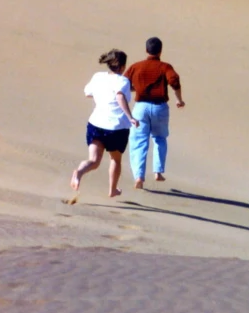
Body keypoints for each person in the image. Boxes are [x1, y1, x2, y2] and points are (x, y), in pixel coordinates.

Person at [71, 49, 139, 198]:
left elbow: (87, 93)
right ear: (122, 66)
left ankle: (79, 172)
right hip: (116, 127)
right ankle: (112, 189)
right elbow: (120, 96)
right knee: (115, 159)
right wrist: (131, 117)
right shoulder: (123, 81)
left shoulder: (98, 76)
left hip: (96, 123)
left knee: (93, 161)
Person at [124, 37, 185, 189]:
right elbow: (174, 81)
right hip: (160, 107)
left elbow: (124, 83)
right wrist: (179, 100)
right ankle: (157, 171)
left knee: (138, 142)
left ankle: (139, 176)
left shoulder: (136, 66)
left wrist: (137, 87)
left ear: (146, 50)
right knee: (160, 138)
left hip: (141, 107)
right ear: (160, 51)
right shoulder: (165, 67)